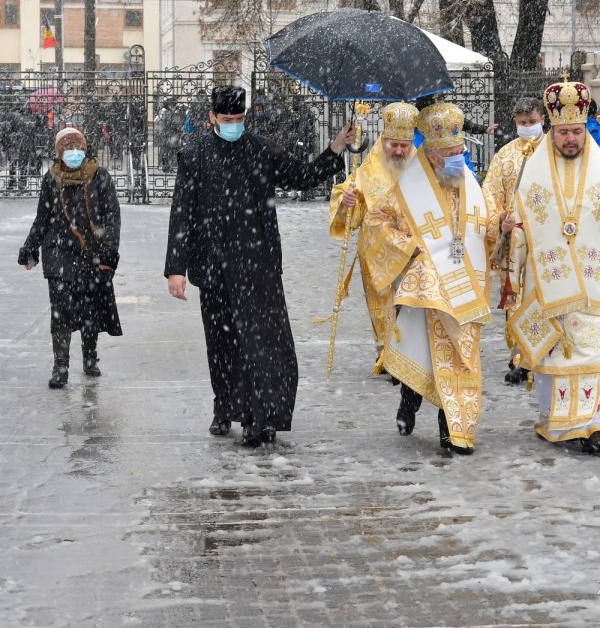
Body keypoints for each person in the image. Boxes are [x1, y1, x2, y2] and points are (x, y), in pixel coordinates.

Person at [164, 86, 354, 448]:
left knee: (265, 343)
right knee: (223, 344)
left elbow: (300, 177)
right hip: (214, 264)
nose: (234, 125)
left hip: (258, 263)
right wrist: (177, 268)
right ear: (212, 119)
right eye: (227, 120)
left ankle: (262, 415)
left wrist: (335, 150)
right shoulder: (195, 155)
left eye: (239, 120)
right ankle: (225, 406)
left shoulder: (260, 149)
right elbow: (181, 214)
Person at [499, 79, 600, 455]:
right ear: (553, 129)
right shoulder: (532, 171)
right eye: (563, 131)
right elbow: (517, 227)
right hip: (548, 284)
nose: (570, 139)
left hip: (593, 285)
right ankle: (554, 421)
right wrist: (507, 234)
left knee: (595, 356)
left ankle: (591, 424)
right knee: (556, 356)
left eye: (576, 132)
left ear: (585, 130)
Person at [365, 100, 496, 453]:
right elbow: (375, 223)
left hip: (465, 285)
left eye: (460, 151)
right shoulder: (409, 186)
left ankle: (453, 428)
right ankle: (411, 399)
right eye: (448, 154)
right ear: (431, 155)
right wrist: (410, 246)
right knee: (428, 355)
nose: (457, 159)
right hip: (426, 289)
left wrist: (502, 227)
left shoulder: (468, 180)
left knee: (460, 357)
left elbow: (488, 223)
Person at [18, 128, 123, 389]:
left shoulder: (100, 177)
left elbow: (112, 217)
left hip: (92, 253)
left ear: (85, 149)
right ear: (58, 153)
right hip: (59, 252)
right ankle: (61, 365)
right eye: (68, 148)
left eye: (78, 147)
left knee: (90, 307)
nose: (74, 153)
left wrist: (109, 251)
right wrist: (30, 248)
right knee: (61, 309)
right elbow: (42, 218)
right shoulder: (51, 179)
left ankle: (90, 356)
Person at [328, 101, 419, 372]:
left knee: (411, 302)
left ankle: (410, 353)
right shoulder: (367, 168)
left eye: (405, 145)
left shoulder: (421, 166)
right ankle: (388, 354)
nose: (400, 151)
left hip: (411, 249)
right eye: (394, 145)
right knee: (382, 305)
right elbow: (350, 209)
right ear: (384, 139)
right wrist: (346, 201)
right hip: (376, 251)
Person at [482, 96, 545, 386]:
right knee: (516, 299)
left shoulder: (554, 152)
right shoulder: (504, 157)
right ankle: (519, 356)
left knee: (545, 297)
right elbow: (489, 196)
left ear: (542, 119)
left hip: (548, 240)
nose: (528, 127)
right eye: (522, 124)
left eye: (532, 122)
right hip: (514, 241)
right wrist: (499, 221)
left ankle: (544, 351)